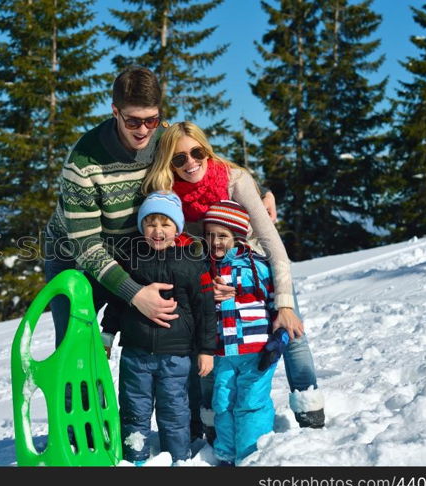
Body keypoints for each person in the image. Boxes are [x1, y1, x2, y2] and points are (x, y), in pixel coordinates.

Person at [142, 121, 325, 434]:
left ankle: (310, 412)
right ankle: (211, 423)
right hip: (215, 279)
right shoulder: (169, 196)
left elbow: (274, 246)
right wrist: (204, 286)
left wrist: (283, 303)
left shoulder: (233, 179)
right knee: (209, 345)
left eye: (196, 152)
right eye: (179, 158)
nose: (191, 162)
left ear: (206, 150)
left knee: (291, 332)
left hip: (259, 268)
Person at [44, 66, 179, 348]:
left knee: (156, 342)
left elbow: (203, 166)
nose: (143, 130)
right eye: (132, 121)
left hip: (135, 250)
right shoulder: (83, 160)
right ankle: (79, 393)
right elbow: (86, 247)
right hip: (74, 258)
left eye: (151, 120)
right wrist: (135, 294)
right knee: (77, 349)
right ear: (115, 111)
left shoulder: (164, 136)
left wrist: (259, 191)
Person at [100, 191, 216, 465]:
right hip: (135, 353)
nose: (158, 230)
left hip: (176, 355)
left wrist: (206, 350)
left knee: (175, 410)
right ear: (142, 227)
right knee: (134, 408)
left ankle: (178, 457)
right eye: (151, 223)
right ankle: (135, 457)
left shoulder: (190, 263)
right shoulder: (131, 260)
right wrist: (107, 333)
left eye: (166, 224)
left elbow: (205, 310)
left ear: (177, 228)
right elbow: (118, 301)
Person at [202, 200, 289, 465]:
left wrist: (278, 342)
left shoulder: (257, 266)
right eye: (209, 235)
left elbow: (277, 305)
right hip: (224, 352)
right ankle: (226, 454)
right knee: (223, 402)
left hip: (256, 351)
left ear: (237, 236)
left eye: (222, 236)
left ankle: (251, 455)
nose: (215, 241)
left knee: (250, 402)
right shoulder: (206, 269)